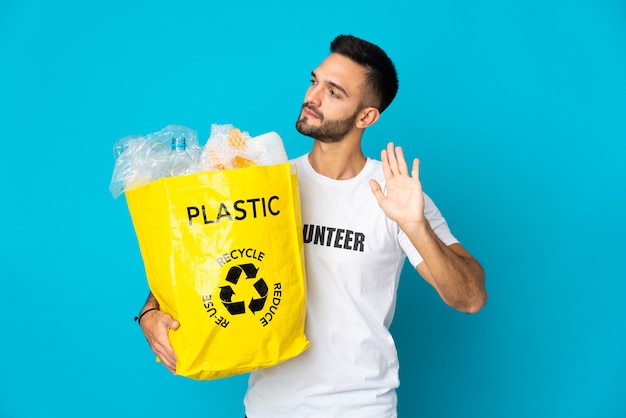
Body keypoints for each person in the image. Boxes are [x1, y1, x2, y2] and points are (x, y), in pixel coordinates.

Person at [136, 34, 487, 417]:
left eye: (334, 92)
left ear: (366, 116)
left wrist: (415, 226)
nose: (313, 97)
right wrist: (150, 312)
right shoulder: (264, 183)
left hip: (362, 408)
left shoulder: (396, 195)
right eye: (314, 81)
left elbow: (468, 298)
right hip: (269, 407)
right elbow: (202, 267)